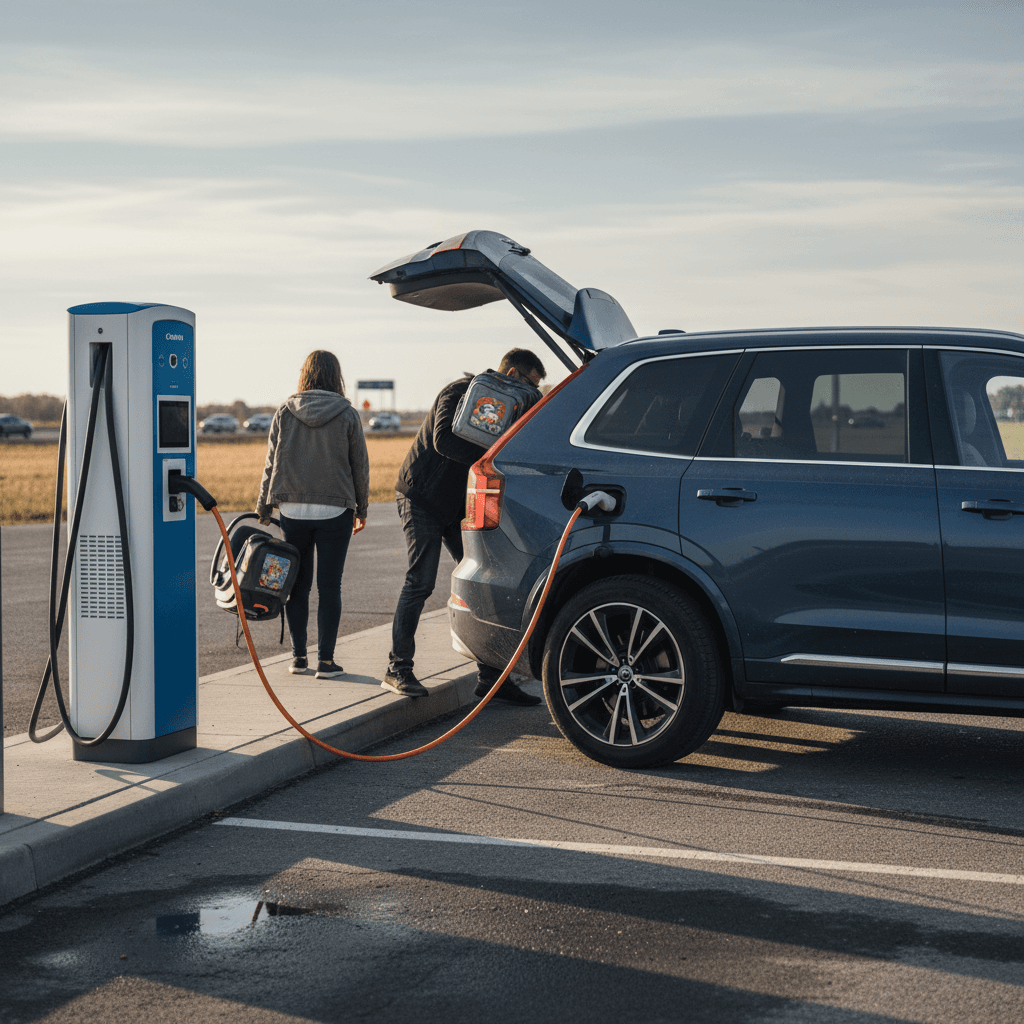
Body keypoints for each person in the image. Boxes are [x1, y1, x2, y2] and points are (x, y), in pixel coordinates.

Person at [383, 348, 546, 703]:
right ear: (514, 374)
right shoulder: (461, 391)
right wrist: (492, 457)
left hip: (458, 506)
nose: (533, 392)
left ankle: (492, 678)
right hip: (421, 497)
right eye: (532, 383)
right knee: (421, 580)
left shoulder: (511, 410)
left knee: (486, 583)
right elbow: (443, 439)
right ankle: (397, 669)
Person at [256, 350, 369, 679]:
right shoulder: (347, 413)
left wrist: (264, 505)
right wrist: (361, 508)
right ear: (337, 376)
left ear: (304, 374)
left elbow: (271, 463)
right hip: (336, 509)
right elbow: (358, 466)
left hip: (293, 509)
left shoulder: (285, 412)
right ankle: (327, 662)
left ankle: (298, 658)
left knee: (297, 586)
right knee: (330, 587)